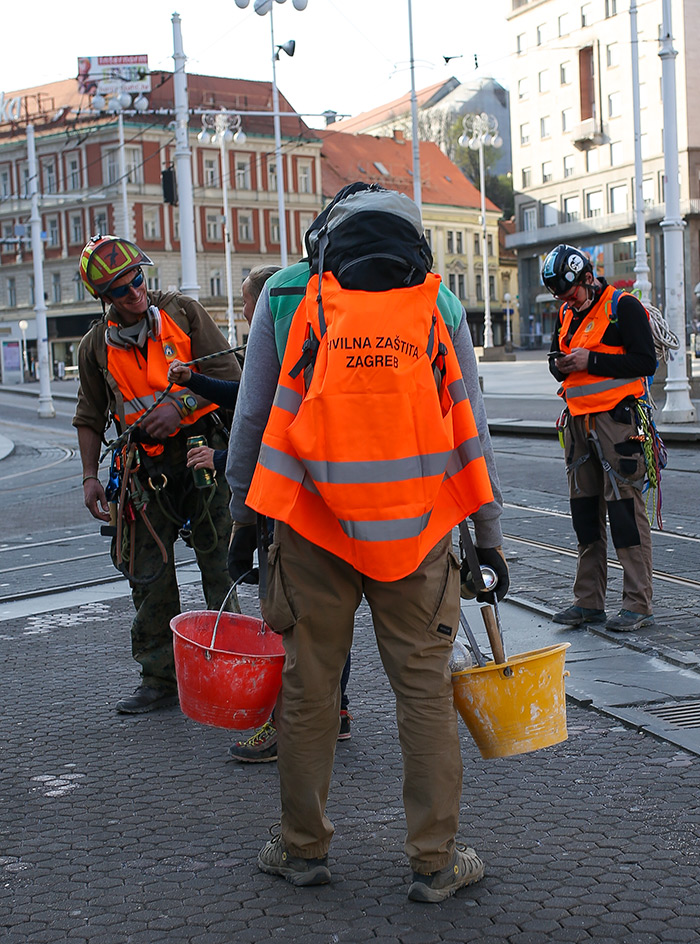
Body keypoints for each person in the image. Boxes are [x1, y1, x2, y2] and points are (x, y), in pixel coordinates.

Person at [226, 183, 506, 901]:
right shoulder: (437, 303)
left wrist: (243, 517)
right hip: (416, 537)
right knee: (424, 695)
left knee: (309, 690)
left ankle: (302, 851)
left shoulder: (291, 294)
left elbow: (255, 416)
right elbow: (469, 416)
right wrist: (487, 535)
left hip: (312, 532)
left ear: (327, 240)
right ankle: (435, 862)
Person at [168, 263, 353, 760]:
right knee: (334, 615)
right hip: (341, 500)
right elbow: (247, 397)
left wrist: (229, 475)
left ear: (267, 299)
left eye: (247, 303)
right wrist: (198, 380)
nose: (245, 312)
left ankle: (288, 729)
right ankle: (336, 711)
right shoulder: (327, 334)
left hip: (286, 501)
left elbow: (260, 417)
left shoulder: (280, 338)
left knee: (290, 616)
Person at [73, 234, 240, 714]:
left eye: (138, 280)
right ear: (106, 299)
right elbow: (89, 416)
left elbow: (231, 377)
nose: (135, 293)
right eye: (122, 290)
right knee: (147, 573)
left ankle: (227, 664)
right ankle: (158, 677)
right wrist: (89, 476)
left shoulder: (183, 312)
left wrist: (179, 405)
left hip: (200, 454)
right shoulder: (95, 348)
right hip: (144, 471)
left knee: (218, 565)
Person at [543, 244, 657, 633]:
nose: (565, 300)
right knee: (585, 517)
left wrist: (589, 361)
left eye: (569, 292)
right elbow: (560, 357)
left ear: (588, 278)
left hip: (616, 423)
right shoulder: (565, 311)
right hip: (577, 426)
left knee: (625, 512)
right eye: (559, 295)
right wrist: (559, 365)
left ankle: (637, 604)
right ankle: (588, 602)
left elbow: (645, 362)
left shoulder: (622, 306)